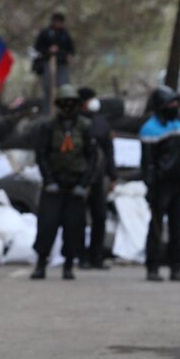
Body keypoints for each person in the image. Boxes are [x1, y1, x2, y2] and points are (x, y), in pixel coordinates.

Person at [31, 84, 97, 280]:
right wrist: (48, 179)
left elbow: (92, 157)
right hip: (54, 185)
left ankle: (68, 265)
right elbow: (41, 154)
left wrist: (84, 184)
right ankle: (41, 263)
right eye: (64, 103)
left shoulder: (85, 127)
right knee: (47, 225)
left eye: (72, 103)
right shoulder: (48, 127)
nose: (68, 107)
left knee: (73, 227)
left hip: (75, 183)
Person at [140, 85, 180, 282]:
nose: (175, 106)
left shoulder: (178, 125)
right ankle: (152, 267)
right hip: (160, 186)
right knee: (156, 228)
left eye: (176, 103)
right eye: (171, 103)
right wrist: (150, 186)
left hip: (177, 184)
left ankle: (176, 268)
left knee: (177, 229)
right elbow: (147, 163)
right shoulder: (150, 129)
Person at [77, 87, 117, 269]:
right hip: (78, 179)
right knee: (78, 220)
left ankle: (96, 256)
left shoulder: (101, 123)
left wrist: (112, 176)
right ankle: (80, 256)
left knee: (99, 217)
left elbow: (108, 151)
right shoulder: (75, 122)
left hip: (97, 180)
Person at [32, 12, 76, 102]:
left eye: (60, 22)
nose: (58, 24)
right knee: (48, 87)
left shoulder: (65, 34)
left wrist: (69, 55)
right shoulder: (45, 33)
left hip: (62, 63)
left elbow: (71, 48)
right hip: (48, 62)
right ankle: (48, 110)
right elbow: (37, 48)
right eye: (57, 22)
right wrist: (49, 50)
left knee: (63, 86)